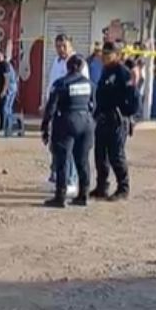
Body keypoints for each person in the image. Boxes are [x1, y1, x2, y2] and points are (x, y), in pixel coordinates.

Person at [41, 53, 95, 207]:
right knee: (83, 160)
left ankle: (60, 197)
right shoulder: (90, 84)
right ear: (83, 67)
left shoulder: (61, 83)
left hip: (66, 122)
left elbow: (50, 108)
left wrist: (45, 127)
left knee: (62, 160)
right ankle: (83, 195)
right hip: (86, 123)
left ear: (67, 67)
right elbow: (94, 105)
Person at [92, 41, 137, 201]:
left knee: (116, 155)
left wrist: (127, 114)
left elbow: (132, 96)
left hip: (117, 119)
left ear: (117, 55)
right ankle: (101, 186)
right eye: (103, 54)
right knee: (100, 154)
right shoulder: (105, 70)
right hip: (103, 117)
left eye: (108, 54)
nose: (104, 57)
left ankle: (123, 188)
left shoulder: (122, 72)